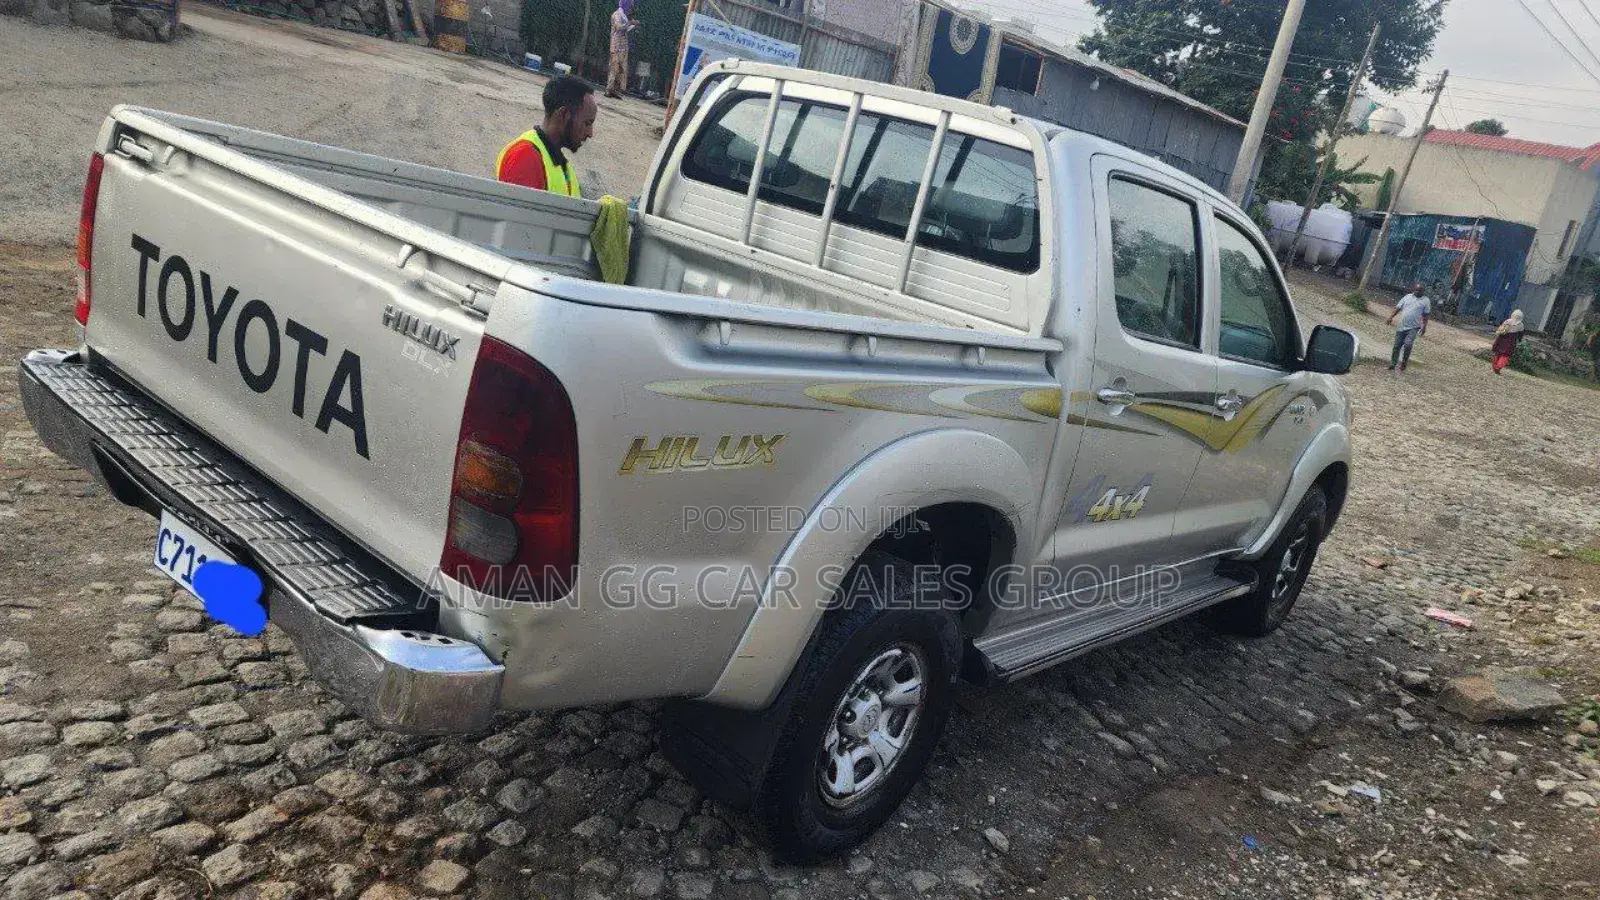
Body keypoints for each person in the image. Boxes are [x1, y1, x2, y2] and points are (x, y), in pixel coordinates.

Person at [495, 76, 597, 198]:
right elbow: (517, 216)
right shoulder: (525, 156)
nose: (590, 133)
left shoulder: (561, 165)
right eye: (587, 123)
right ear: (563, 114)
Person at [1386, 283, 1431, 372]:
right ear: (1414, 289)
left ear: (1423, 291)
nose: (1417, 292)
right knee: (1396, 346)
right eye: (1416, 290)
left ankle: (1404, 363)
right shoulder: (1407, 297)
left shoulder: (1426, 300)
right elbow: (1398, 308)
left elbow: (1426, 315)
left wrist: (1424, 327)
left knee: (1408, 344)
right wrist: (1391, 317)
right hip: (1401, 325)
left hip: (1414, 327)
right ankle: (1392, 364)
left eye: (1420, 290)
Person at [607, 0, 638, 99]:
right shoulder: (617, 14)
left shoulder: (623, 15)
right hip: (616, 45)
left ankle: (615, 90)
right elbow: (619, 28)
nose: (630, 8)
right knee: (614, 67)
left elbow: (624, 30)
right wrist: (630, 23)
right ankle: (609, 90)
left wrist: (632, 25)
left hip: (623, 46)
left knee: (621, 69)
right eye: (630, 5)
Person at [1489, 309, 1525, 374]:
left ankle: (1494, 365)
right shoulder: (1521, 325)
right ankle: (1498, 367)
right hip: (1511, 341)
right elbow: (1520, 335)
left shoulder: (1508, 321)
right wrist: (1519, 340)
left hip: (1501, 339)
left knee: (1497, 352)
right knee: (1505, 355)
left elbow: (1501, 329)